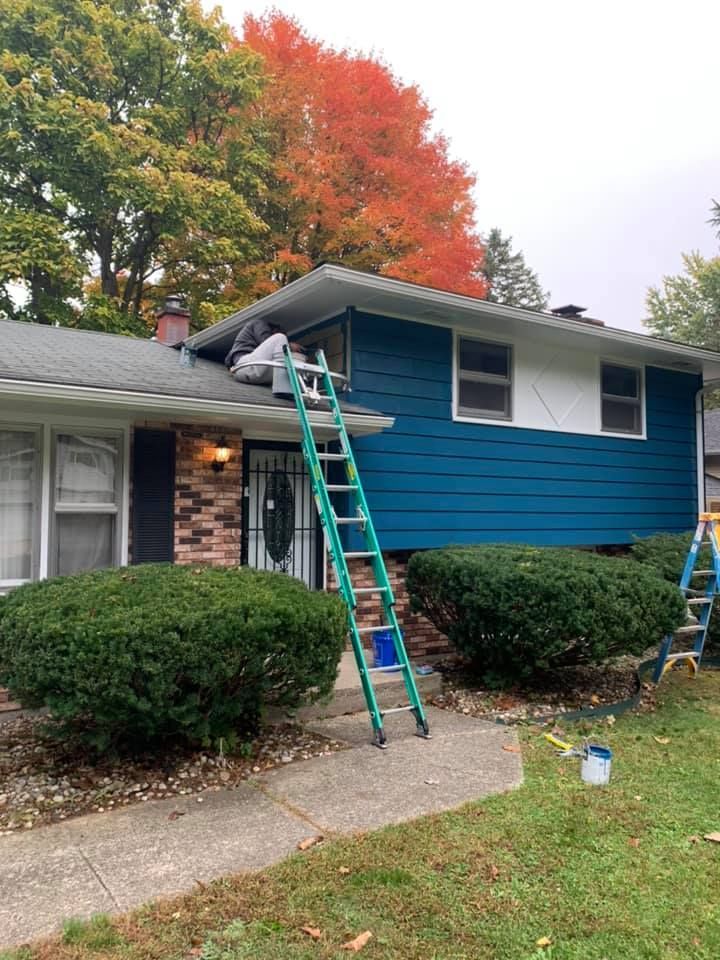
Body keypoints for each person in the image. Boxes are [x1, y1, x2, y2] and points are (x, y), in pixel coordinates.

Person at [224, 318, 305, 385]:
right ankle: (282, 384)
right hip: (245, 365)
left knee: (295, 360)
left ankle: (297, 386)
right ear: (274, 330)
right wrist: (289, 345)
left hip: (259, 373)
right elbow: (265, 340)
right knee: (280, 337)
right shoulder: (258, 323)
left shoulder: (264, 355)